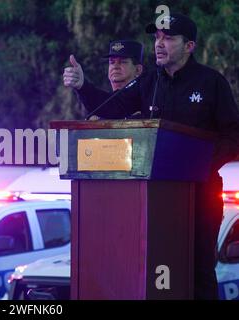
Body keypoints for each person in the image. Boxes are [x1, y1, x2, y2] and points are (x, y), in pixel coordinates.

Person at [63, 13, 239, 299]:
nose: (159, 44)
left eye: (168, 38)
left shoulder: (211, 82)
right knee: (158, 268)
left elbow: (233, 136)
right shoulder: (147, 82)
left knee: (199, 271)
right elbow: (110, 109)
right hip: (155, 196)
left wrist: (199, 165)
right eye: (157, 38)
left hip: (200, 193)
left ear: (189, 46)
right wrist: (83, 86)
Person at [64, 40, 144, 120]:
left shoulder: (143, 99)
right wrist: (81, 86)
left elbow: (113, 106)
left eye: (122, 62)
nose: (115, 66)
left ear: (138, 70)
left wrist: (84, 86)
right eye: (112, 62)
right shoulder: (100, 104)